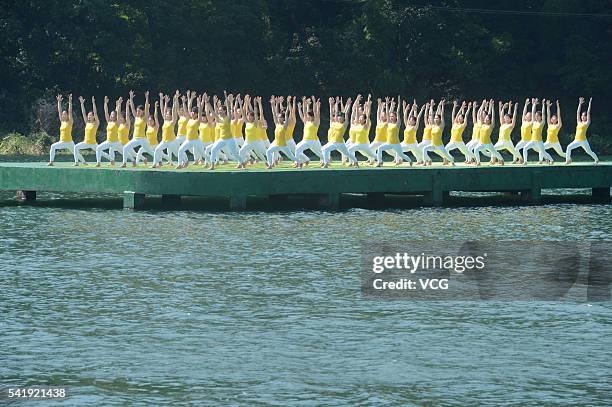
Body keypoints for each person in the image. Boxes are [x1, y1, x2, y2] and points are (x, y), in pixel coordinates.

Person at [322, 97, 358, 167]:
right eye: (338, 116)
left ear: (343, 118)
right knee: (324, 149)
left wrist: (349, 104)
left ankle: (356, 161)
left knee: (347, 153)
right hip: (332, 142)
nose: (339, 117)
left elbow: (346, 114)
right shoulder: (333, 122)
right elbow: (332, 113)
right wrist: (331, 104)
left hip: (340, 143)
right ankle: (326, 163)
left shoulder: (344, 124)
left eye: (341, 117)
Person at [376, 97, 412, 166]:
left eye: (393, 116)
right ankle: (380, 162)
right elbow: (387, 112)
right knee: (380, 148)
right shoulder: (389, 123)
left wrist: (399, 103)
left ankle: (410, 161)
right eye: (390, 116)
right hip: (388, 143)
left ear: (395, 117)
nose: (391, 117)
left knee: (402, 155)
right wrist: (386, 104)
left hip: (396, 144)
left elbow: (398, 112)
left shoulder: (397, 124)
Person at [208, 92, 241, 170]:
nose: (219, 111)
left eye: (220, 110)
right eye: (219, 110)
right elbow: (212, 111)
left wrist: (228, 101)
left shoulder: (228, 119)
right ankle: (212, 166)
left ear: (224, 111)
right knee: (213, 149)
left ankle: (242, 163)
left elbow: (229, 110)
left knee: (234, 154)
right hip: (222, 139)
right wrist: (207, 102)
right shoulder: (219, 119)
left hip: (230, 139)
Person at [266, 96, 300, 168]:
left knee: (292, 157)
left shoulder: (285, 125)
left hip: (283, 146)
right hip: (276, 144)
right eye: (278, 118)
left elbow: (287, 114)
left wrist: (288, 103)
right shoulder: (277, 124)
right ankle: (270, 165)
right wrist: (272, 104)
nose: (278, 119)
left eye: (280, 118)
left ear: (283, 118)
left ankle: (299, 162)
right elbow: (274, 114)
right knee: (268, 151)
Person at [121, 90, 151, 167]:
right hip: (135, 139)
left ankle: (159, 161)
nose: (137, 112)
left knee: (150, 151)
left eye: (139, 111)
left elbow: (147, 108)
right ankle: (124, 163)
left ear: (142, 111)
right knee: (125, 148)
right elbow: (132, 107)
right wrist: (131, 98)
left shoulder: (144, 118)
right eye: (137, 111)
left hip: (142, 139)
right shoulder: (136, 117)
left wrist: (147, 97)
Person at [177, 91, 207, 168]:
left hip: (196, 140)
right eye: (192, 112)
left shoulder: (198, 120)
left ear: (196, 114)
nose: (192, 113)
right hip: (188, 140)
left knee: (203, 154)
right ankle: (179, 164)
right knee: (180, 150)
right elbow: (187, 110)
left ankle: (210, 162)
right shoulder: (189, 119)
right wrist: (183, 102)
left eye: (194, 112)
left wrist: (201, 103)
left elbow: (200, 112)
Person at [565, 97, 599, 164]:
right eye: (582, 115)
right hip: (576, 140)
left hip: (583, 141)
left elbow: (588, 112)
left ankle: (596, 159)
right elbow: (578, 112)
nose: (582, 116)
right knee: (569, 147)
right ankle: (568, 160)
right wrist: (580, 103)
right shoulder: (579, 122)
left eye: (584, 116)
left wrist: (589, 103)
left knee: (589, 151)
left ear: (586, 117)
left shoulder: (587, 123)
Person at [151, 92, 180, 168]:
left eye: (168, 114)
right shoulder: (165, 120)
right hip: (164, 141)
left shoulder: (172, 122)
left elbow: (174, 111)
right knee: (157, 150)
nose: (166, 115)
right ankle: (155, 164)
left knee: (177, 154)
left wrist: (174, 100)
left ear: (171, 116)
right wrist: (161, 99)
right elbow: (162, 109)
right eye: (166, 114)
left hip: (171, 141)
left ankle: (185, 161)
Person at [238, 95, 267, 168]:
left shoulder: (256, 123)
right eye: (248, 116)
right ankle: (243, 165)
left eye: (250, 116)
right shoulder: (247, 122)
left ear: (253, 117)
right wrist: (241, 104)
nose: (248, 117)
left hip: (255, 142)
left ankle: (266, 163)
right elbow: (243, 113)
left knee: (259, 154)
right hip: (247, 142)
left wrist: (255, 104)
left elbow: (256, 113)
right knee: (241, 151)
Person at [422, 99, 454, 166]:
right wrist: (431, 106)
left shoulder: (441, 126)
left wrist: (442, 106)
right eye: (435, 118)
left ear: (439, 119)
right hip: (433, 145)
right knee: (424, 148)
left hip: (440, 145)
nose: (435, 119)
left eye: (437, 118)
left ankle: (452, 160)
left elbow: (441, 115)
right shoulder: (433, 125)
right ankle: (425, 162)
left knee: (447, 157)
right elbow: (430, 114)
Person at [522, 98, 554, 164]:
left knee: (543, 151)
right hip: (532, 141)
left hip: (539, 141)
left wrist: (543, 105)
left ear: (540, 117)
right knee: (525, 148)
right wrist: (534, 104)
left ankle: (551, 160)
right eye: (535, 116)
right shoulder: (534, 122)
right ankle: (525, 161)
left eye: (537, 116)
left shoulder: (542, 123)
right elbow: (533, 112)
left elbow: (543, 113)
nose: (536, 117)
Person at [295, 96, 323, 166]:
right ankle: (298, 162)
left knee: (321, 154)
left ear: (313, 116)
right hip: (305, 141)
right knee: (297, 148)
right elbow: (303, 113)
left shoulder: (316, 122)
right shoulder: (306, 122)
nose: (307, 116)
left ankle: (327, 160)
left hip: (314, 141)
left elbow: (316, 112)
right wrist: (303, 103)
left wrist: (314, 102)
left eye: (309, 116)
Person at [474, 99, 504, 166]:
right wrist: (483, 105)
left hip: (488, 143)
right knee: (476, 149)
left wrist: (492, 107)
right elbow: (480, 114)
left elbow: (493, 116)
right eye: (486, 118)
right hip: (481, 143)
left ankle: (501, 159)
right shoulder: (482, 124)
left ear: (489, 120)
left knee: (494, 152)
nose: (486, 119)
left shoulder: (491, 126)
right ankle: (478, 162)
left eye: (488, 118)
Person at [348, 96, 377, 163]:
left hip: (365, 144)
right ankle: (355, 162)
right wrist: (357, 106)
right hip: (357, 143)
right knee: (349, 150)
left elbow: (368, 115)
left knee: (371, 154)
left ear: (364, 120)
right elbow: (355, 114)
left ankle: (379, 160)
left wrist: (368, 105)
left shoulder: (365, 126)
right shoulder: (357, 124)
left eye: (361, 118)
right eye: (359, 118)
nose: (359, 119)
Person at [95, 96, 123, 166]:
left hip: (116, 142)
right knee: (98, 148)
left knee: (124, 151)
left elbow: (118, 114)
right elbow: (106, 112)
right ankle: (99, 163)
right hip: (109, 141)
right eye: (111, 115)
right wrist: (105, 103)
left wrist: (119, 104)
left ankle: (133, 160)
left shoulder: (117, 123)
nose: (111, 115)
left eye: (113, 115)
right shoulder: (109, 122)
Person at [48, 94, 75, 165]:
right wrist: (59, 102)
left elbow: (70, 111)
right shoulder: (62, 121)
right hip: (62, 142)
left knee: (76, 153)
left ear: (67, 115)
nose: (63, 115)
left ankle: (83, 162)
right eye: (62, 114)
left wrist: (70, 101)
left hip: (69, 142)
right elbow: (59, 111)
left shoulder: (70, 122)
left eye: (64, 114)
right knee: (53, 146)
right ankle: (51, 162)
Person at [73, 96, 99, 166]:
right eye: (88, 115)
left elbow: (95, 113)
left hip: (93, 143)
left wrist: (93, 103)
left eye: (90, 115)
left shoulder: (96, 123)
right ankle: (77, 162)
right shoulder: (87, 123)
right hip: (86, 142)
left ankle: (111, 160)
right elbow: (83, 113)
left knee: (101, 152)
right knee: (76, 147)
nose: (89, 116)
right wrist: (82, 103)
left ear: (93, 117)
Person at [135, 100, 161, 164]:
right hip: (148, 144)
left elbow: (156, 117)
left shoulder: (156, 127)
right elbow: (147, 114)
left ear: (154, 121)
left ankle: (166, 161)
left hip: (155, 145)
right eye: (149, 121)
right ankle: (137, 163)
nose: (150, 122)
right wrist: (148, 108)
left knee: (162, 155)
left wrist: (155, 108)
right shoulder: (148, 125)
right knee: (140, 150)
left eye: (151, 120)